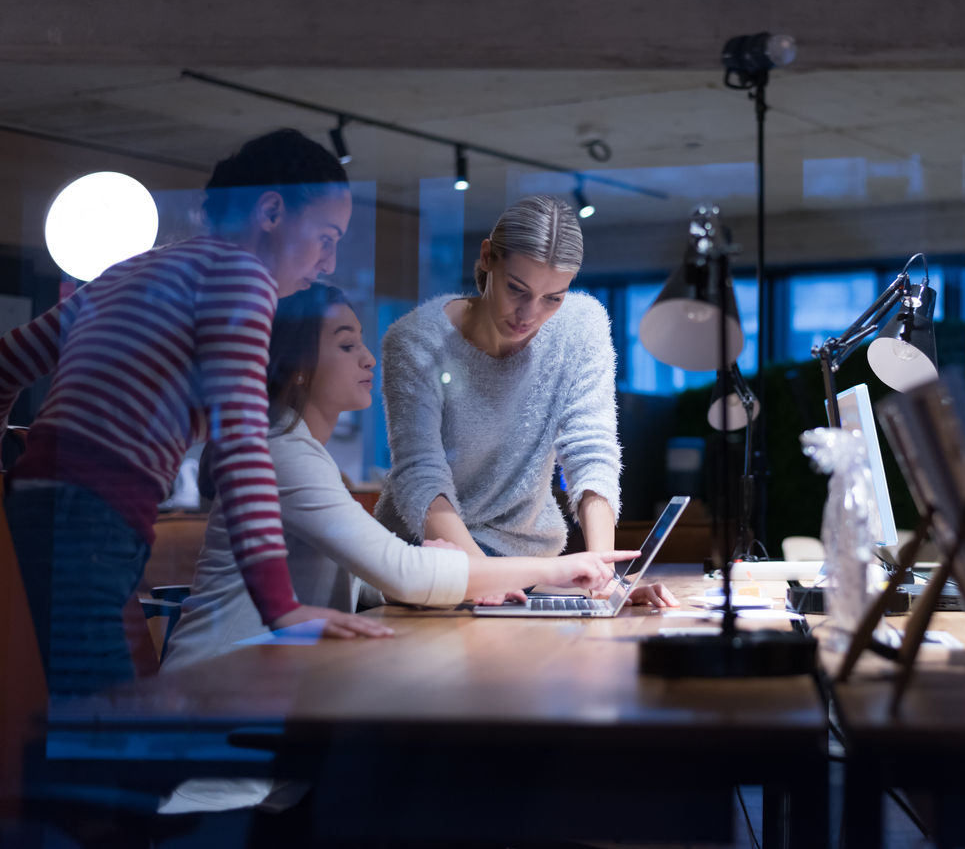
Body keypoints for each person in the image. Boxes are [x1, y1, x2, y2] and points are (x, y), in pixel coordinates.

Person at [0, 129, 389, 697]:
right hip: (93, 520)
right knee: (102, 740)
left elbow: (8, 362)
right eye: (326, 237)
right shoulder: (242, 278)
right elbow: (240, 442)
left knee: (80, 718)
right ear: (272, 211)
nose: (328, 260)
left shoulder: (133, 270)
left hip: (38, 510)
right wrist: (281, 607)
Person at [162, 283, 628, 673]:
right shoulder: (281, 453)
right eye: (346, 345)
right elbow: (402, 576)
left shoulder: (302, 453)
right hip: (214, 708)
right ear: (299, 369)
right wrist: (556, 567)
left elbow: (359, 579)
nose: (368, 358)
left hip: (258, 695)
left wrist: (437, 564)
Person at [376, 195, 675, 607]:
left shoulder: (581, 325)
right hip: (432, 559)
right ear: (487, 259)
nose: (529, 314)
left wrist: (600, 577)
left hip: (526, 565)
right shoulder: (416, 341)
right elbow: (420, 474)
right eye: (517, 289)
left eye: (553, 297)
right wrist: (481, 577)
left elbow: (591, 451)